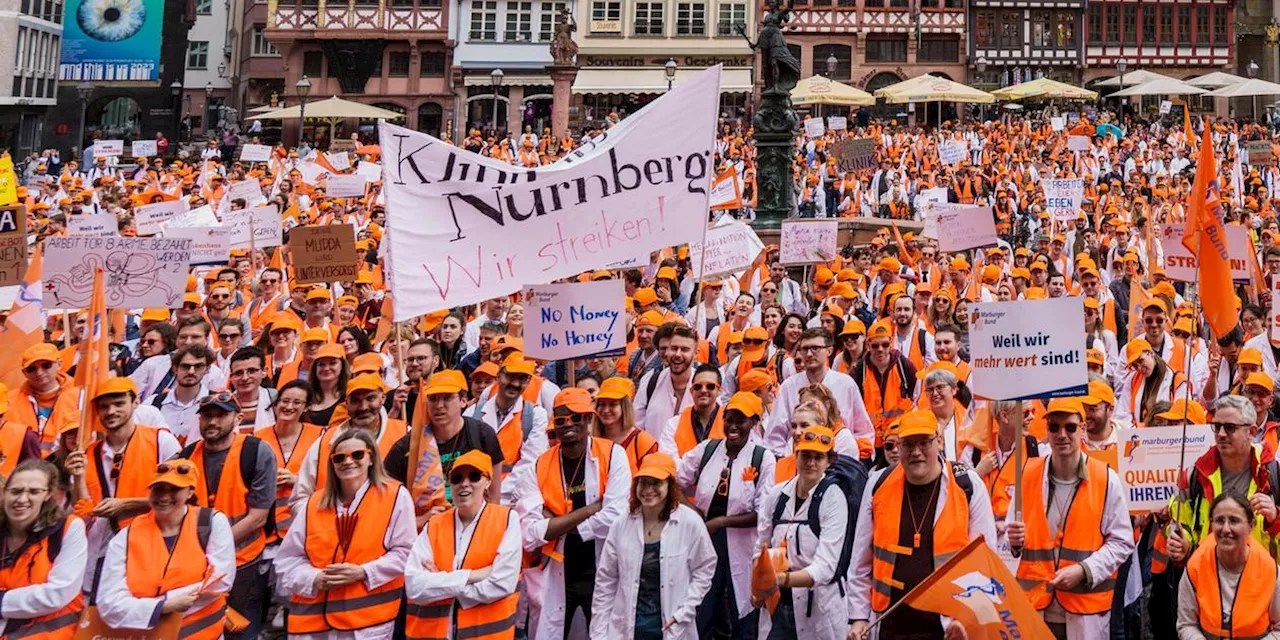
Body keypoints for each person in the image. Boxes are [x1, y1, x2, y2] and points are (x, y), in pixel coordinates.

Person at [849, 410, 996, 640]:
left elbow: (985, 563)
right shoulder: (878, 484)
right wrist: (859, 618)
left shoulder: (967, 485)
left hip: (948, 628)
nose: (916, 452)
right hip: (888, 625)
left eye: (924, 443)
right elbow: (861, 561)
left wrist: (967, 619)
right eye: (908, 444)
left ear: (938, 441)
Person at [1006, 397, 1135, 639]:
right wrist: (1014, 542)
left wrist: (1085, 570)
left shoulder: (1106, 479)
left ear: (1083, 429)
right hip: (1036, 610)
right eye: (1054, 427)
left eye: (1070, 427)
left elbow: (1122, 542)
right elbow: (1011, 542)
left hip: (1084, 611)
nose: (1062, 434)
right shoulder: (1028, 473)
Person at [274, 429, 415, 639]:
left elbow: (407, 554)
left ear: (371, 458)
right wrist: (314, 578)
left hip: (366, 625)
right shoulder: (314, 503)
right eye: (339, 457)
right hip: (311, 625)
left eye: (357, 455)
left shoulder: (395, 495)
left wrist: (364, 572)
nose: (348, 462)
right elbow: (287, 561)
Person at [520, 387, 631, 639]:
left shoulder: (613, 455)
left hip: (601, 567)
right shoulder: (538, 466)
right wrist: (591, 510)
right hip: (555, 571)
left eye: (576, 417)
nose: (568, 424)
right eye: (560, 420)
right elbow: (529, 533)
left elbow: (616, 515)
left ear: (589, 419)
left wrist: (558, 525)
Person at [96, 460, 236, 639]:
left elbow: (220, 582)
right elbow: (109, 604)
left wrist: (151, 605)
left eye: (174, 490)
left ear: (190, 492)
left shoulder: (211, 523)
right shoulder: (127, 535)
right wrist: (165, 606)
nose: (163, 497)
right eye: (158, 489)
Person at [179, 391, 278, 639]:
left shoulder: (256, 452)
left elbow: (258, 517)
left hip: (243, 560)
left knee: (241, 629)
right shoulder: (186, 456)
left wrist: (213, 547)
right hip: (197, 564)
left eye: (221, 416)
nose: (212, 422)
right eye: (207, 416)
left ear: (238, 418)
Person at [677, 392, 774, 638]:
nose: (732, 426)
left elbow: (763, 511)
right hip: (706, 540)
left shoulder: (762, 457)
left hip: (742, 544)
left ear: (753, 423)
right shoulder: (708, 449)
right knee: (702, 606)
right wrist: (694, 514)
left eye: (740, 421)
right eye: (728, 419)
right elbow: (674, 481)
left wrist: (723, 522)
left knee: (742, 608)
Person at [591, 452, 717, 639]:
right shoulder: (621, 524)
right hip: (627, 628)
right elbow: (606, 581)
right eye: (643, 482)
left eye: (656, 483)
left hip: (672, 627)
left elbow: (705, 569)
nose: (648, 490)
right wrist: (599, 633)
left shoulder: (690, 523)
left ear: (670, 486)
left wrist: (685, 611)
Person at [404, 449, 522, 640]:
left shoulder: (507, 519)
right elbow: (414, 586)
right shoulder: (433, 525)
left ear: (488, 482)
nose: (464, 484)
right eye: (457, 478)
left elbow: (502, 584)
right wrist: (474, 575)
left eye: (474, 476)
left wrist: (441, 583)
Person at [753, 425, 849, 640]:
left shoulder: (833, 498)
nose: (811, 463)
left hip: (818, 608)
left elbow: (824, 568)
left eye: (818, 457)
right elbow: (761, 547)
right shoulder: (777, 495)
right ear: (796, 454)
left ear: (829, 461)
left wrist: (778, 579)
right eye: (805, 455)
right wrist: (758, 586)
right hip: (776, 606)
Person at [0, 459, 87, 638]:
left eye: (34, 492)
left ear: (48, 495)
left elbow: (57, 593)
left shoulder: (68, 528)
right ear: (4, 492)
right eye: (15, 491)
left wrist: (2, 601)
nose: (22, 499)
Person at [1177, 492, 1280, 640]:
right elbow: (1186, 625)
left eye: (1234, 521)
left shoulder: (1270, 571)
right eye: (1219, 520)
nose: (1226, 529)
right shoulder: (1196, 566)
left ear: (1250, 526)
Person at [769, 327, 874, 456]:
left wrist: (857, 460)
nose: (809, 354)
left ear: (829, 350)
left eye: (815, 348)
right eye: (805, 349)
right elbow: (775, 435)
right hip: (798, 460)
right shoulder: (789, 386)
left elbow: (863, 430)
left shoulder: (846, 384)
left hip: (840, 459)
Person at [467, 353, 549, 506]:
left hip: (516, 500)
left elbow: (530, 464)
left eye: (523, 379)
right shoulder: (472, 414)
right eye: (511, 376)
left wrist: (497, 494)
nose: (516, 384)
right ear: (498, 376)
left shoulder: (535, 416)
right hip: (476, 497)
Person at [594, 376, 658, 474]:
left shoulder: (643, 441)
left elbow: (653, 480)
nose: (606, 410)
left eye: (613, 404)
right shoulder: (593, 440)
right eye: (602, 404)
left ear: (625, 407)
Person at [660, 364, 724, 458]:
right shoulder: (673, 425)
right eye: (698, 387)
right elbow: (669, 462)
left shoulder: (730, 422)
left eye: (710, 386)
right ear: (691, 391)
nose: (703, 390)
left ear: (719, 391)